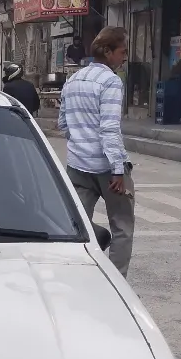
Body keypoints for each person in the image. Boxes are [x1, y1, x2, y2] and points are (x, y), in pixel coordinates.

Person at [58, 26, 134, 277]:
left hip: (78, 166)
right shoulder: (111, 82)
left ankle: (77, 274)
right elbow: (109, 129)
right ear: (108, 52)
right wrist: (118, 170)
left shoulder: (72, 80)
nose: (125, 57)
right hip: (107, 170)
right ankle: (116, 281)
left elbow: (63, 124)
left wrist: (80, 142)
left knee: (75, 225)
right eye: (122, 51)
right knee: (122, 227)